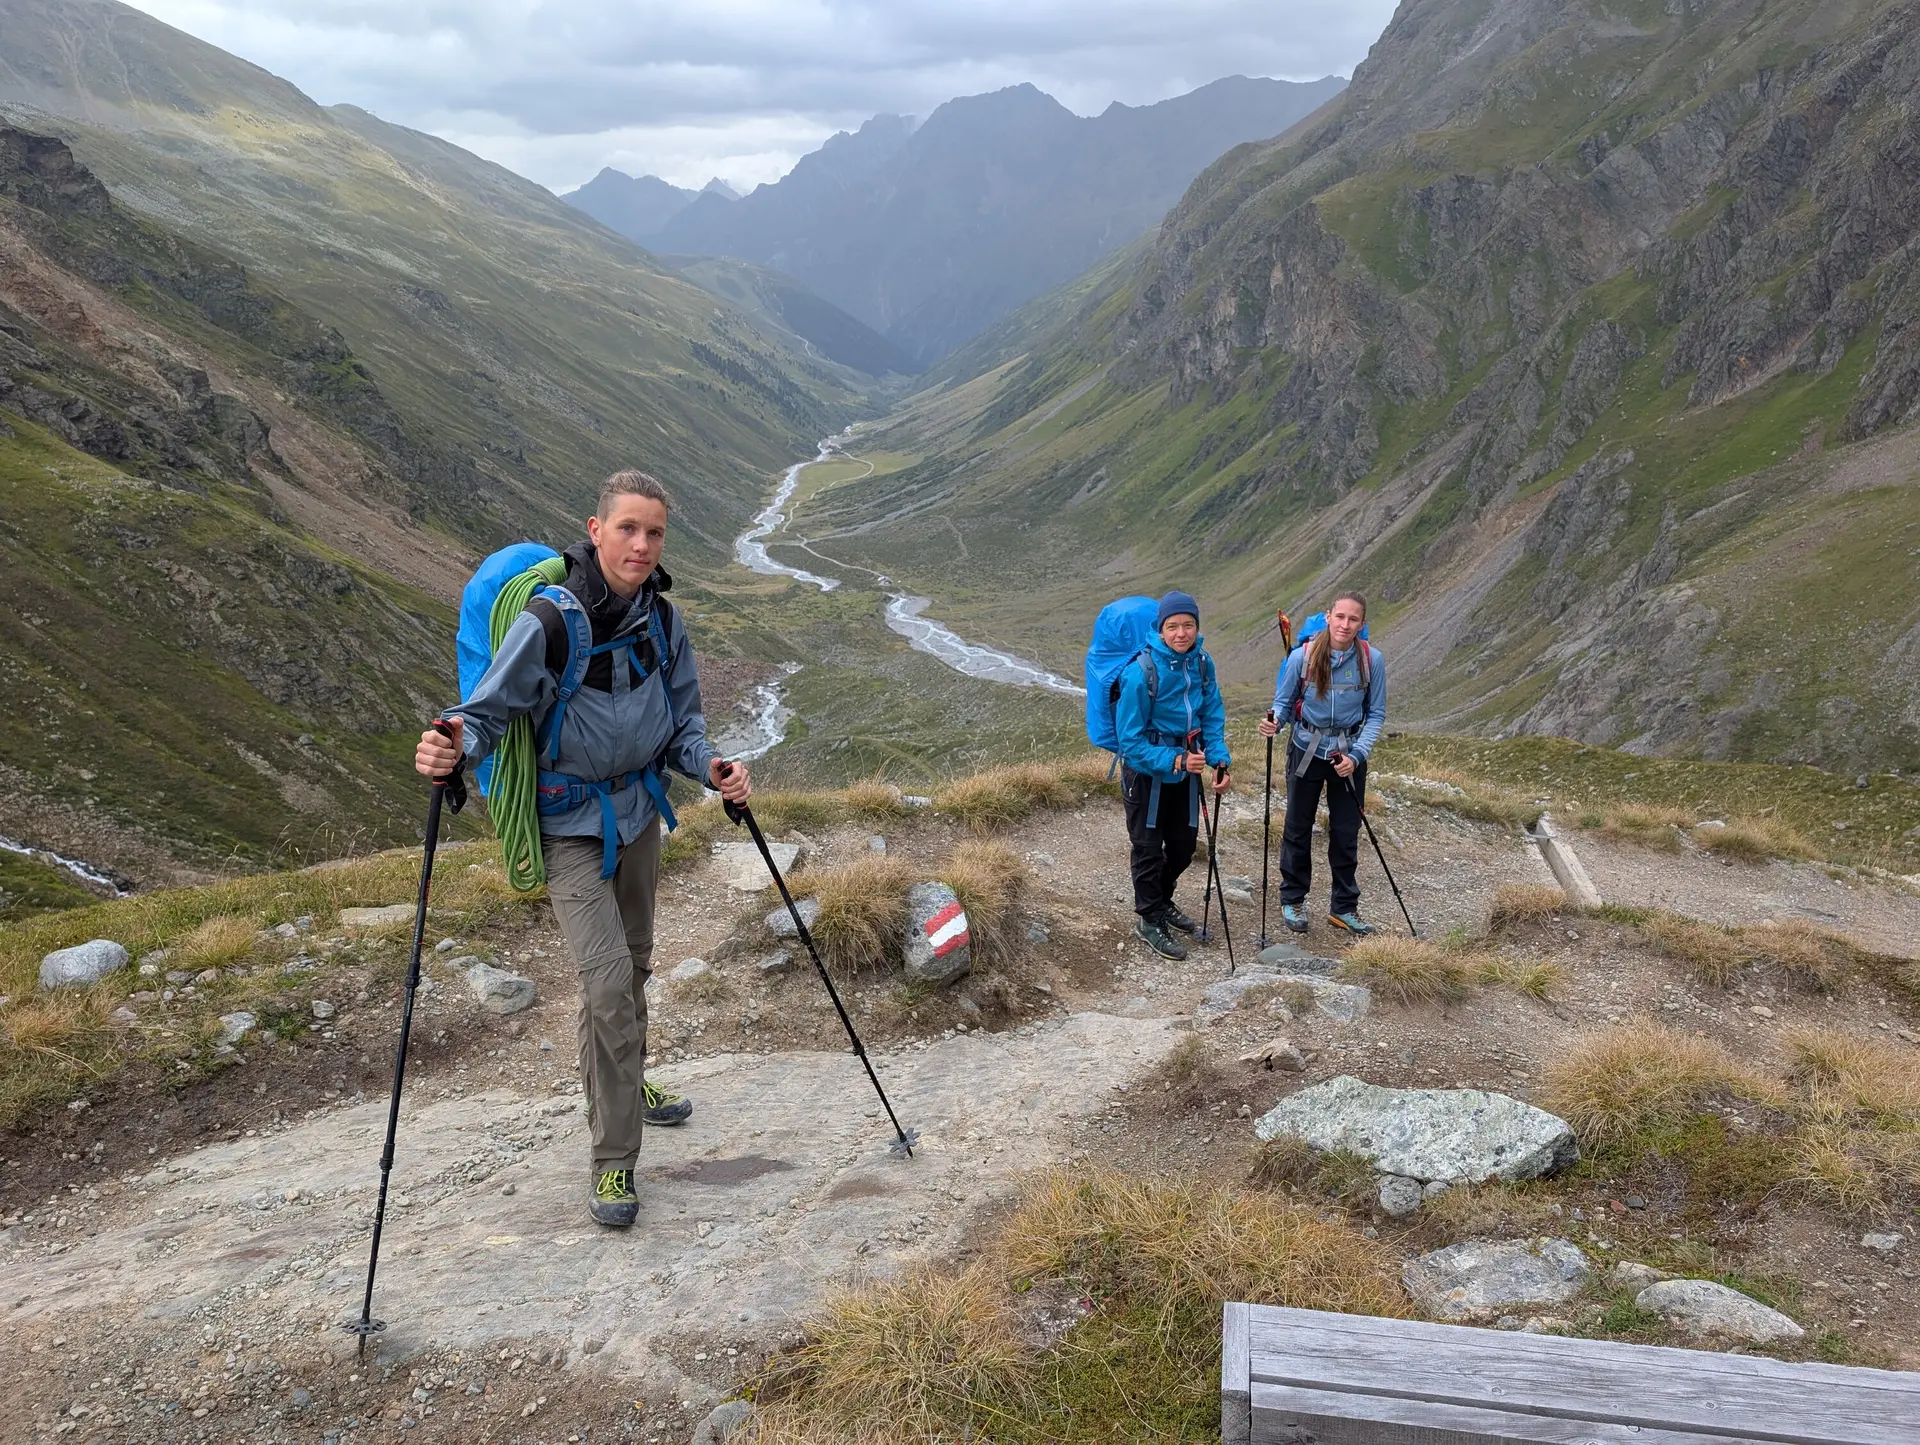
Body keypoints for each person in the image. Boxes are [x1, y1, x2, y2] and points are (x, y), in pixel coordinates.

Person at [413, 469, 751, 1228]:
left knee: (632, 969)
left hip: (638, 816)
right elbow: (486, 712)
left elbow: (683, 726)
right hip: (567, 827)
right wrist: (452, 746)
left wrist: (712, 767)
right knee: (606, 985)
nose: (641, 544)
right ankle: (614, 1160)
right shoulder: (550, 622)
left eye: (654, 532)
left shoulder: (662, 621)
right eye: (627, 528)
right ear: (595, 531)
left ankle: (620, 1083)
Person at [1259, 591, 1386, 935]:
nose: (1345, 624)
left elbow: (1376, 714)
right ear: (1328, 617)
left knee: (1346, 832)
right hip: (1305, 750)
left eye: (1353, 619)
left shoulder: (1372, 660)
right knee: (1297, 828)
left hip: (1348, 755)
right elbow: (1284, 703)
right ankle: (1293, 899)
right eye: (1340, 616)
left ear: (1362, 623)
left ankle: (1343, 908)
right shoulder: (1301, 657)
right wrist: (1275, 722)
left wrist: (1356, 757)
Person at [1113, 591, 1231, 961]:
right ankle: (1149, 919)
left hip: (1185, 770)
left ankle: (1161, 902)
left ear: (1197, 626)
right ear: (1161, 629)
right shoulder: (1140, 673)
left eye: (1188, 625)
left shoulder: (1202, 664)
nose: (1181, 633)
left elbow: (1211, 712)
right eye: (1173, 626)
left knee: (1182, 847)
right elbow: (1129, 742)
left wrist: (1219, 758)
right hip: (1146, 775)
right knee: (1148, 849)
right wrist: (1177, 759)